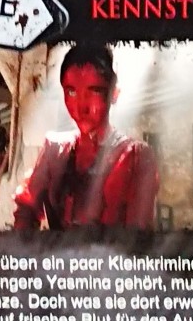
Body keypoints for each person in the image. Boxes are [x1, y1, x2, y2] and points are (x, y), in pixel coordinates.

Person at [12, 44, 159, 229]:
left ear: (114, 94)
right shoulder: (54, 149)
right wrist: (26, 242)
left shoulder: (136, 156)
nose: (81, 107)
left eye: (94, 91)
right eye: (71, 91)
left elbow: (137, 234)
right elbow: (26, 207)